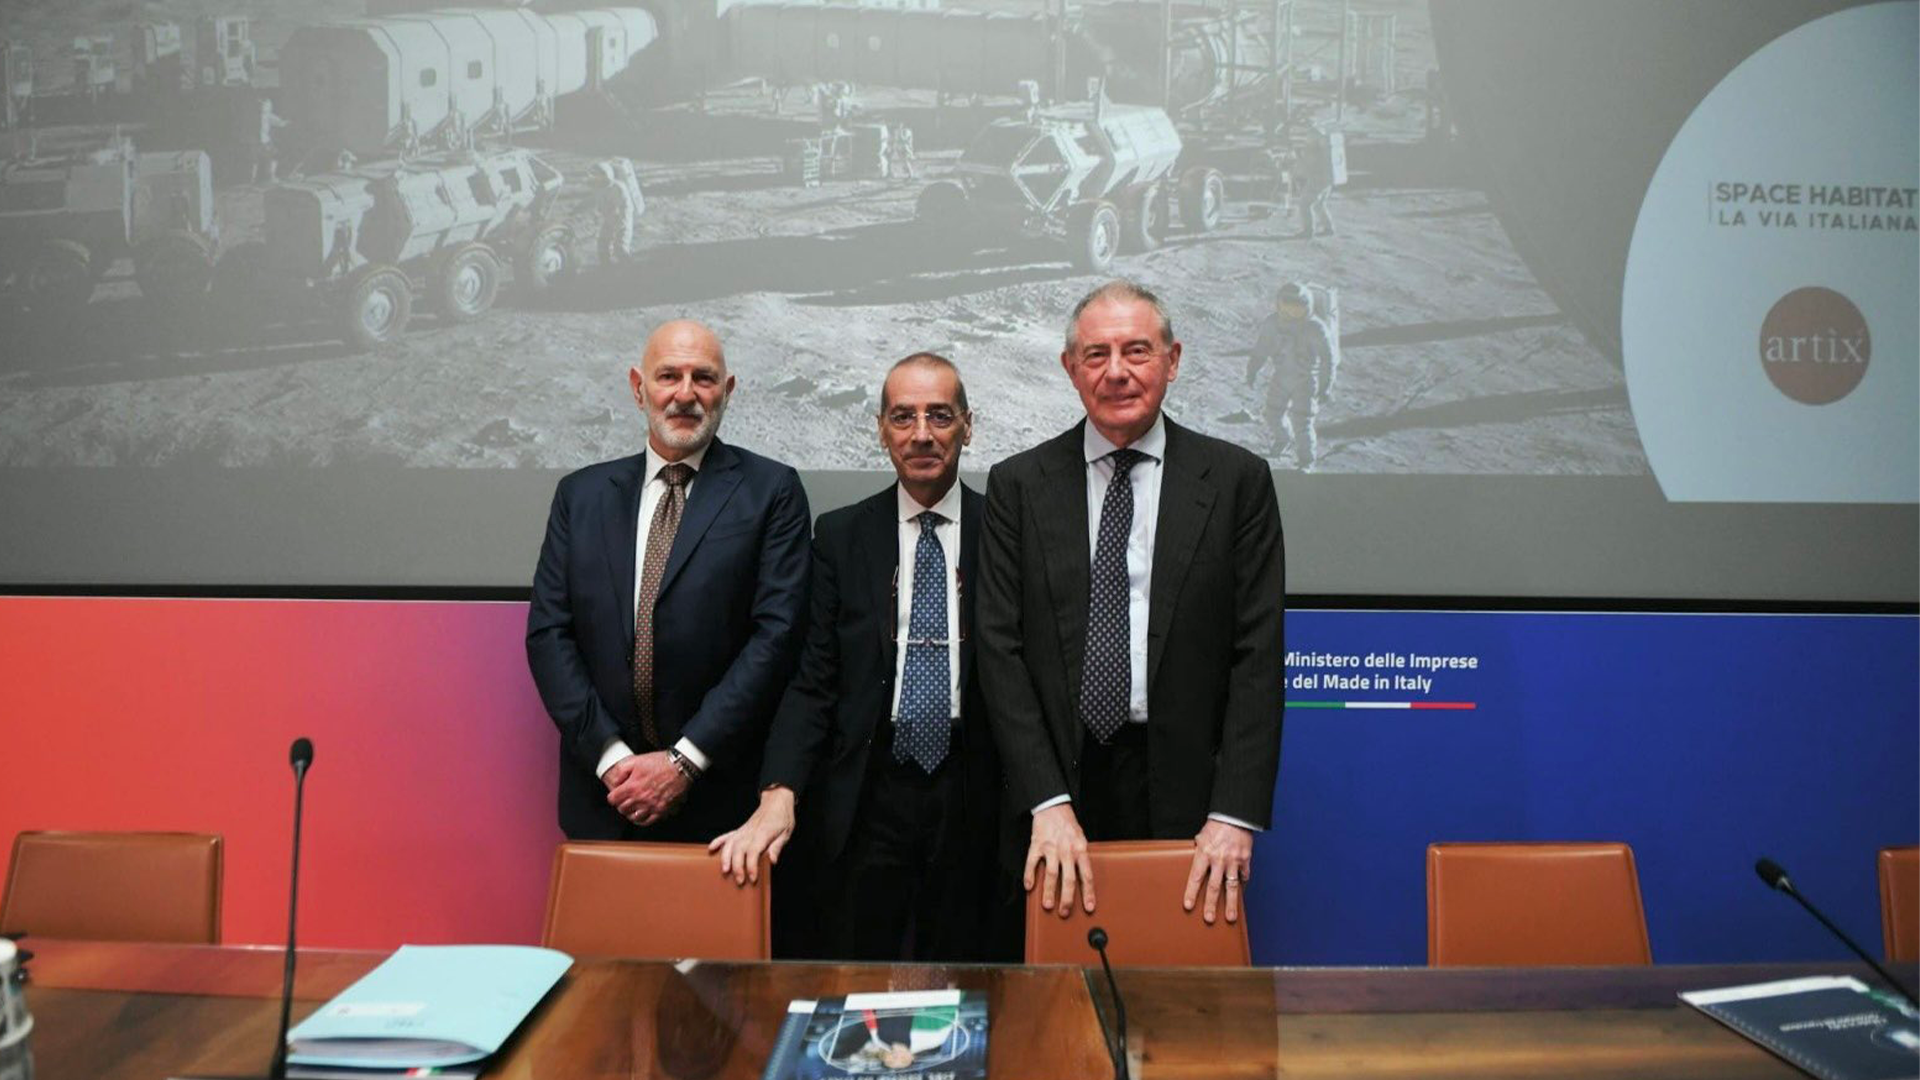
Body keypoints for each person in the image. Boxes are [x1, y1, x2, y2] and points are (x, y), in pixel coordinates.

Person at [977, 280, 1286, 929]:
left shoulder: (1237, 481)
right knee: (1058, 977)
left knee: (1178, 974)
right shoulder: (1018, 486)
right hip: (1057, 790)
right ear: (1070, 368)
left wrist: (1233, 814)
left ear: (1173, 360)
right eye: (1096, 354)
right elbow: (1000, 650)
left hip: (1188, 796)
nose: (1116, 371)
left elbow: (1256, 654)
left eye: (1137, 351)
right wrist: (1045, 800)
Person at [710, 353, 1020, 962]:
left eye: (940, 416)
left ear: (968, 426)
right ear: (881, 429)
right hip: (869, 788)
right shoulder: (842, 535)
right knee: (855, 974)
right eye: (903, 417)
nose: (922, 434)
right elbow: (813, 680)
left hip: (975, 789)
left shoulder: (1008, 530)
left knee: (970, 979)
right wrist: (779, 789)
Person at [527, 320, 812, 843]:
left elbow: (776, 637)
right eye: (668, 376)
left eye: (703, 378)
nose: (685, 394)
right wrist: (613, 761)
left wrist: (684, 761)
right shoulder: (580, 496)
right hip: (606, 797)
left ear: (727, 390)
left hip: (723, 802)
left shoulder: (771, 492)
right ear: (639, 388)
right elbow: (550, 634)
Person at [1247, 282, 1337, 471]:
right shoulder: (1272, 324)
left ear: (1307, 306)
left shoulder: (1315, 328)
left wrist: (1326, 385)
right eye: (1288, 304)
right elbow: (1261, 348)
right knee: (1272, 414)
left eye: (1298, 305)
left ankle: (1306, 460)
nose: (1293, 310)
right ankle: (1283, 438)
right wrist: (1252, 369)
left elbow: (1328, 360)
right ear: (1279, 304)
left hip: (1306, 381)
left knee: (1302, 421)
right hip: (1281, 377)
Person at [1297, 123, 1336, 239]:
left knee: (1304, 204)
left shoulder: (1313, 151)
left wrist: (1300, 158)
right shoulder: (1326, 150)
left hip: (1317, 181)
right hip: (1327, 181)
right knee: (1319, 205)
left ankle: (1308, 230)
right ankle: (1329, 228)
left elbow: (1307, 167)